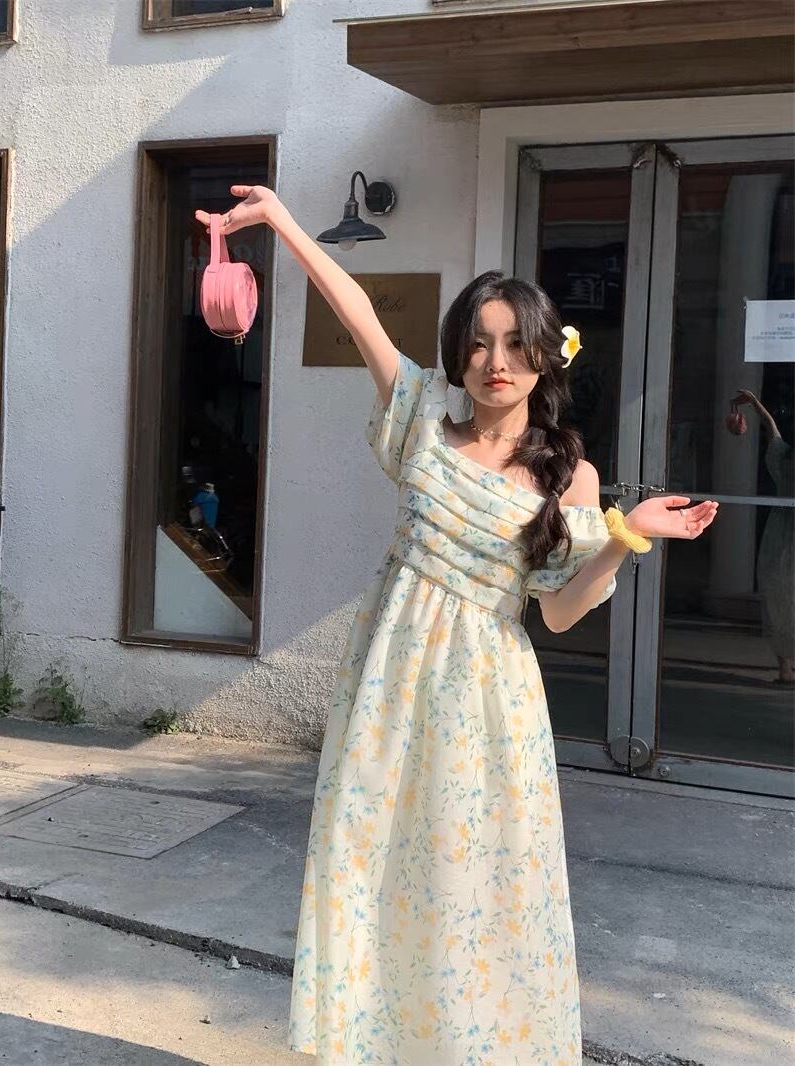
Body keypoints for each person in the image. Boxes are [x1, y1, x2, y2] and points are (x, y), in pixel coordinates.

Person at [196, 186, 718, 1066]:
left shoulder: (570, 477)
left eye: (514, 343)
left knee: (476, 885)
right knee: (372, 865)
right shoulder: (423, 425)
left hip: (487, 701)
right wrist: (282, 222)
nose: (495, 361)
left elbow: (558, 611)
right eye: (477, 343)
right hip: (388, 688)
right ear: (457, 356)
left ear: (546, 356)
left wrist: (625, 538)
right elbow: (358, 312)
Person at [731, 389, 794, 685]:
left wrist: (756, 405)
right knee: (779, 597)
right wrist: (756, 405)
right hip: (781, 535)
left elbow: (772, 429)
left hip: (780, 532)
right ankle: (785, 667)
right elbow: (773, 430)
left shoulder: (784, 458)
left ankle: (785, 667)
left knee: (779, 598)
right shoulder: (784, 458)